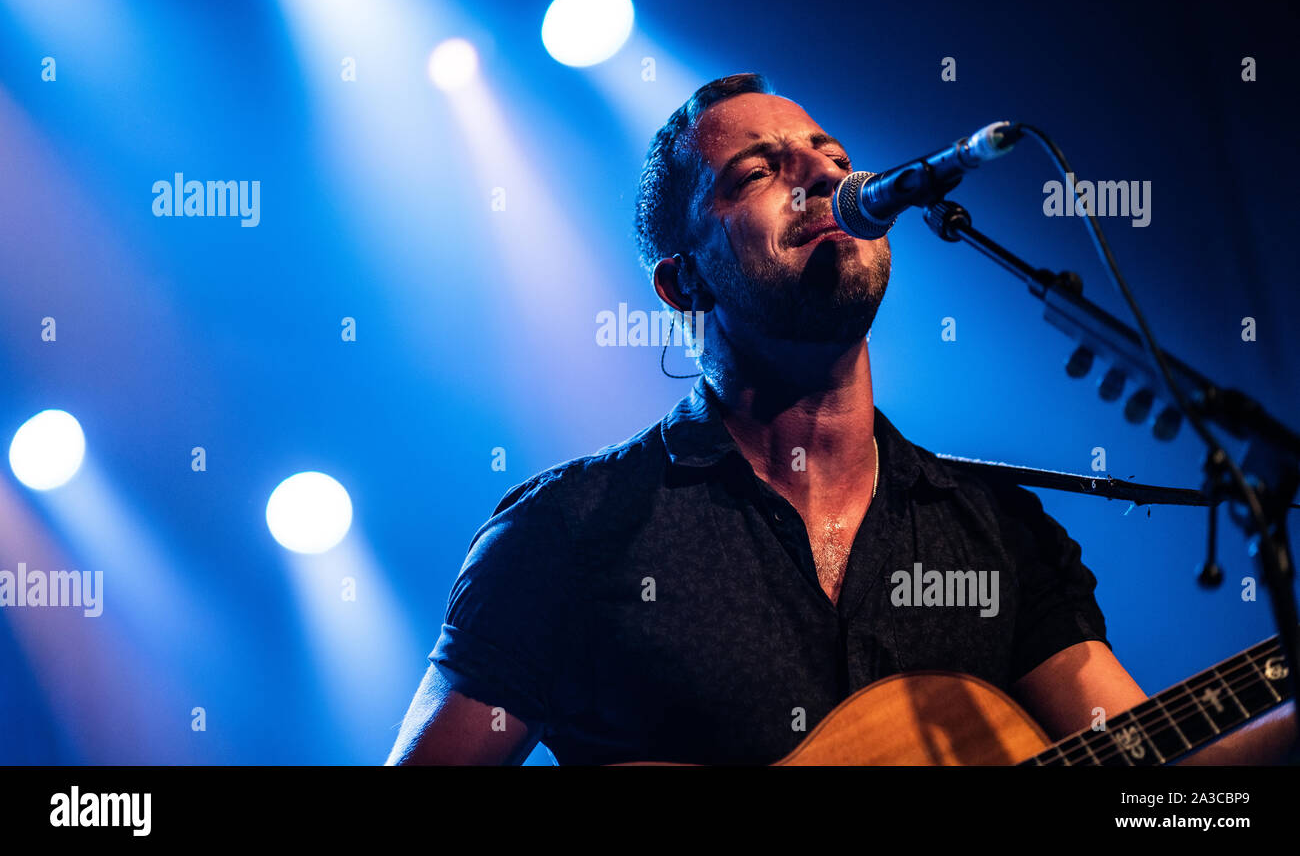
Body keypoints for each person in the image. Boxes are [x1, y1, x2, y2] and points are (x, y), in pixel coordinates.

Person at [388, 73, 1294, 765]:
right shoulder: (571, 531)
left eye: (828, 153)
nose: (822, 172)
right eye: (758, 171)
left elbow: (1169, 794)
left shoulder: (997, 532)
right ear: (685, 281)